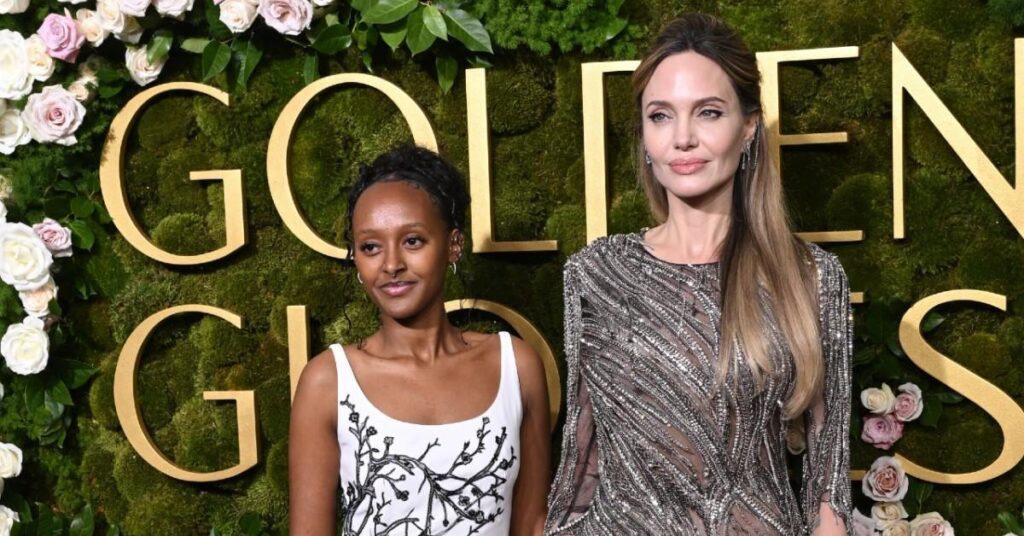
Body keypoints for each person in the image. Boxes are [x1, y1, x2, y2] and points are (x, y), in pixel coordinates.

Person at [545, 14, 851, 535]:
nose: (682, 138)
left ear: (749, 126)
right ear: (643, 134)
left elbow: (828, 483)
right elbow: (583, 461)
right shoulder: (596, 275)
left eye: (708, 113)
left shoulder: (809, 277)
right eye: (660, 116)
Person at [290, 145, 551, 536]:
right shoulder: (328, 381)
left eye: (412, 241)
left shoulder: (516, 366)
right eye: (371, 247)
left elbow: (531, 525)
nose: (391, 264)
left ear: (453, 245)